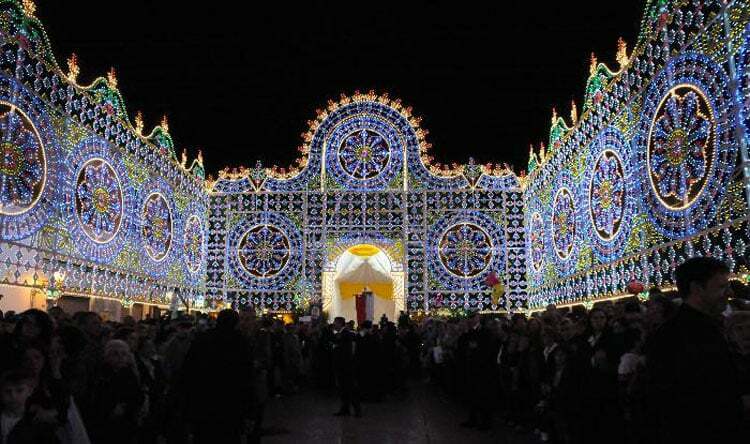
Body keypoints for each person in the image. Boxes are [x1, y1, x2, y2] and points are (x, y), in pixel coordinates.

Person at [646, 257, 743, 442]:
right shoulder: (672, 338)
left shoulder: (718, 326)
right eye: (721, 287)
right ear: (696, 289)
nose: (729, 292)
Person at [181, 309, 253, 444]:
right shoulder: (240, 343)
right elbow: (247, 377)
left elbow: (188, 372)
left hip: (204, 402)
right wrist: (249, 410)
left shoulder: (202, 339)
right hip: (231, 404)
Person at [331, 317, 361, 417]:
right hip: (343, 366)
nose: (334, 324)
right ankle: (345, 408)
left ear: (340, 323)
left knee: (349, 388)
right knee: (344, 389)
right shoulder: (343, 334)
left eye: (335, 323)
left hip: (345, 366)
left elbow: (345, 351)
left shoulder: (345, 334)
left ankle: (356, 410)